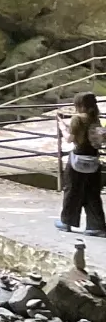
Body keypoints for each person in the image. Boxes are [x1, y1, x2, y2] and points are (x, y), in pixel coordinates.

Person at [58, 92, 106, 234]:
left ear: (79, 105)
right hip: (93, 159)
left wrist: (62, 128)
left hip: (78, 159)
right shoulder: (96, 119)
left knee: (72, 191)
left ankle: (66, 221)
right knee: (92, 193)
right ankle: (96, 225)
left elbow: (70, 138)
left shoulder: (77, 119)